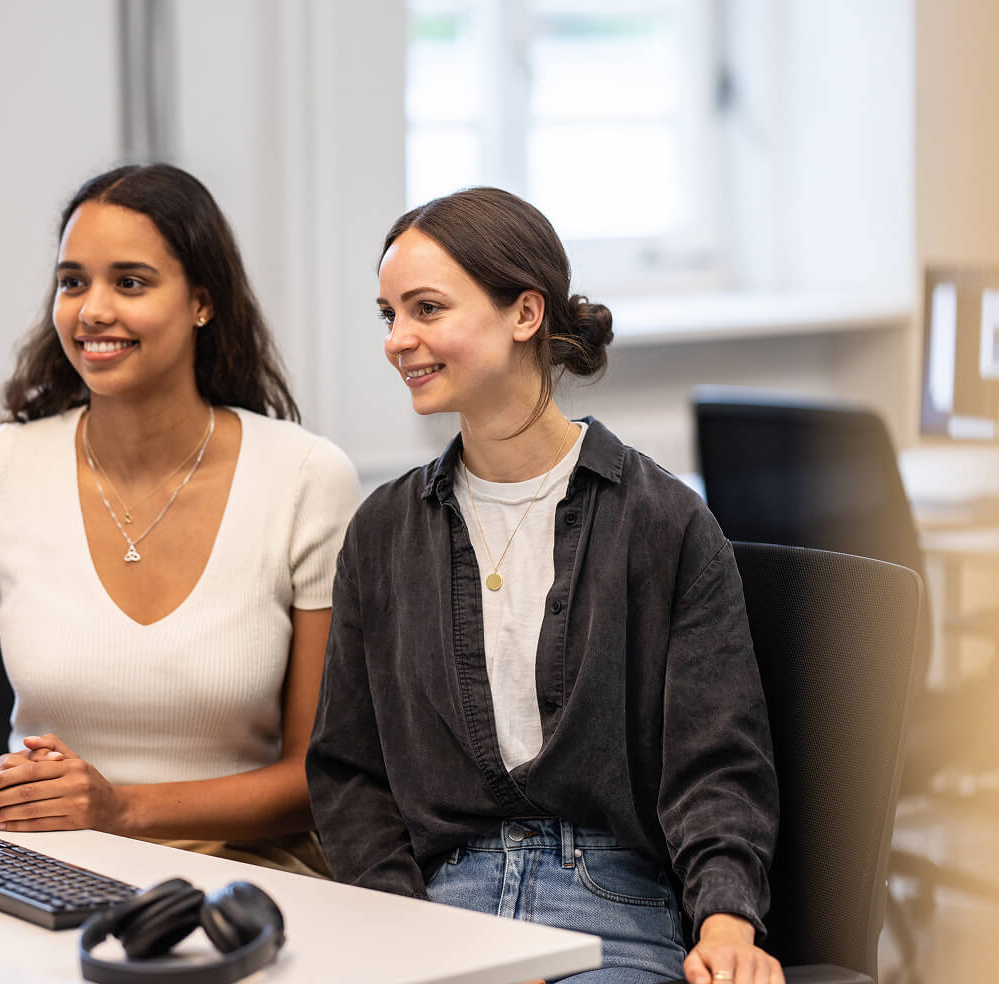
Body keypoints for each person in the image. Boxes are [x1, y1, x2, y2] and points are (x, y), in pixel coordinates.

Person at [305, 187, 783, 982]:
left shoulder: (664, 522)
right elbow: (350, 775)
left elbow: (718, 765)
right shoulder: (384, 531)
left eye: (426, 309)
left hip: (613, 911)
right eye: (388, 314)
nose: (398, 340)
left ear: (525, 314)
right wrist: (400, 927)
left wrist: (727, 924)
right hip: (434, 909)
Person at [0, 163, 360, 876]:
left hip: (247, 879)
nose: (91, 310)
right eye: (72, 281)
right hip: (42, 862)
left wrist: (121, 809)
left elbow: (319, 778)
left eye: (130, 282)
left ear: (202, 302)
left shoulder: (306, 478)